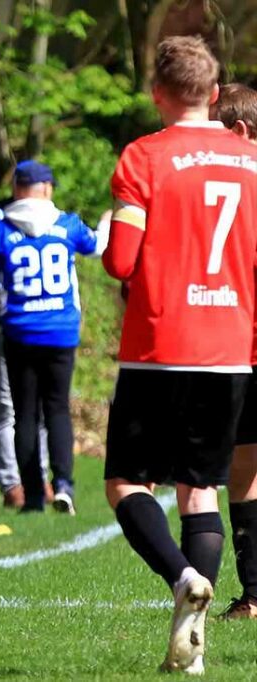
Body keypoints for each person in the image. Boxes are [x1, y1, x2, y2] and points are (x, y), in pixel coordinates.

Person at [103, 37, 257, 673]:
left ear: (157, 94)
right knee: (201, 490)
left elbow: (120, 259)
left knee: (124, 483)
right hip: (231, 350)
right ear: (215, 95)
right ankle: (192, 653)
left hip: (161, 347)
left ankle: (180, 577)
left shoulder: (143, 156)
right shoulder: (252, 161)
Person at [0, 160, 105, 514]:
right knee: (58, 409)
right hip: (61, 330)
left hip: (20, 330)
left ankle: (34, 494)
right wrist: (110, 221)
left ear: (17, 188)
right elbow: (98, 247)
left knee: (26, 413)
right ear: (47, 189)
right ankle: (63, 485)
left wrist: (3, 320)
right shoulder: (66, 224)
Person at [209, 81, 257, 620]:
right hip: (239, 345)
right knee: (244, 463)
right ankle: (254, 594)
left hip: (243, 345)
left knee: (244, 465)